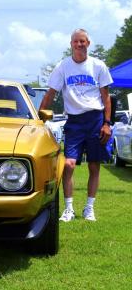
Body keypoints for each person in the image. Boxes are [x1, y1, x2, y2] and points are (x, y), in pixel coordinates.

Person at [39, 28, 113, 222]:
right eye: (76, 42)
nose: (79, 44)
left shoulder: (98, 66)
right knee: (69, 165)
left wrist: (107, 123)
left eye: (83, 41)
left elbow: (106, 98)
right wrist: (39, 119)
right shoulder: (63, 66)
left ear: (88, 43)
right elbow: (50, 93)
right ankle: (69, 209)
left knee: (94, 166)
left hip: (95, 120)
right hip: (74, 121)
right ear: (71, 44)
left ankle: (89, 208)